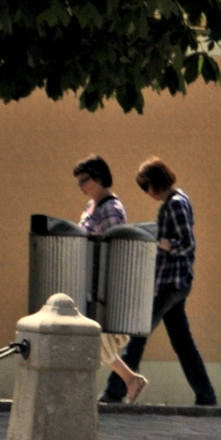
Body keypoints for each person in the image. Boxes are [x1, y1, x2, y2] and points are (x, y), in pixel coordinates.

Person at [100, 157, 217, 406]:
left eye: (146, 186)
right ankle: (206, 396)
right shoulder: (176, 201)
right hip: (174, 283)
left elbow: (187, 243)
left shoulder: (175, 204)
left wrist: (163, 244)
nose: (146, 192)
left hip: (171, 284)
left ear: (156, 182)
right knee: (182, 343)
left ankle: (116, 390)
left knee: (137, 334)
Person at [75, 155, 147, 404]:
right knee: (93, 341)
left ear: (98, 178)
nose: (81, 186)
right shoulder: (91, 207)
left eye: (84, 180)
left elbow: (117, 248)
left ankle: (127, 380)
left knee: (97, 342)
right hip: (87, 283)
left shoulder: (111, 209)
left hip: (103, 285)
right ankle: (130, 380)